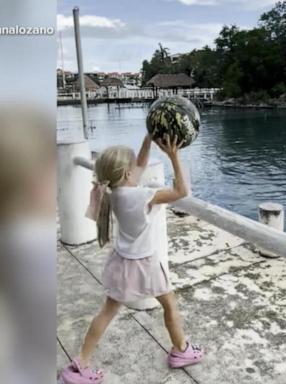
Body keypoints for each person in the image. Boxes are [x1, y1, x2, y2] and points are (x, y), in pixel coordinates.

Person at [60, 134, 204, 384]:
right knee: (169, 305)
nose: (139, 167)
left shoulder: (112, 192)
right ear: (127, 175)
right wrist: (174, 156)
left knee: (106, 312)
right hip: (145, 264)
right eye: (133, 169)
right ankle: (181, 350)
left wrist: (148, 140)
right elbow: (182, 191)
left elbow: (138, 164)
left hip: (122, 262)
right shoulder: (141, 196)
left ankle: (80, 363)